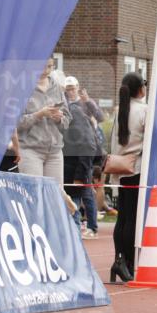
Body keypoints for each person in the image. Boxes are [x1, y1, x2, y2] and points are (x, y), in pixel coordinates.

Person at [109, 72, 146, 282]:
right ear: (140, 89)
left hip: (120, 167)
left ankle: (119, 259)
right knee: (132, 217)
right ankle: (129, 261)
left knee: (122, 217)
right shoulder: (143, 110)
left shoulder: (119, 110)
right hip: (137, 167)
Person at [17, 57, 71, 183]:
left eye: (50, 66)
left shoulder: (57, 87)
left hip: (55, 151)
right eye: (42, 66)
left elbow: (68, 119)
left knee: (56, 196)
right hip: (30, 151)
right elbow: (15, 123)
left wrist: (60, 119)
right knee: (34, 196)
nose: (45, 71)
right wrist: (39, 114)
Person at [63, 77, 100, 238]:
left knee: (84, 195)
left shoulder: (79, 108)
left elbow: (100, 117)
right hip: (70, 166)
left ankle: (91, 226)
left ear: (77, 87)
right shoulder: (63, 108)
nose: (70, 91)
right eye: (67, 89)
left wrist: (80, 175)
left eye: (72, 88)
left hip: (79, 165)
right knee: (80, 196)